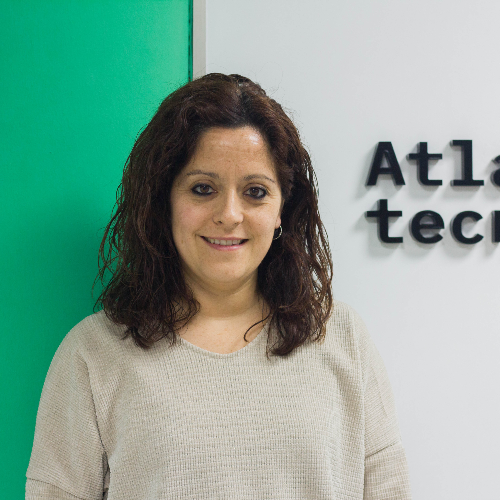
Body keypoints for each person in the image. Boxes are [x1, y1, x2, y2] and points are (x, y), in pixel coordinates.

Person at [26, 73, 412, 499]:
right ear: (164, 201)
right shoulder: (93, 354)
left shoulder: (342, 336)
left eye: (255, 192)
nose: (229, 214)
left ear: (281, 210)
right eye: (203, 189)